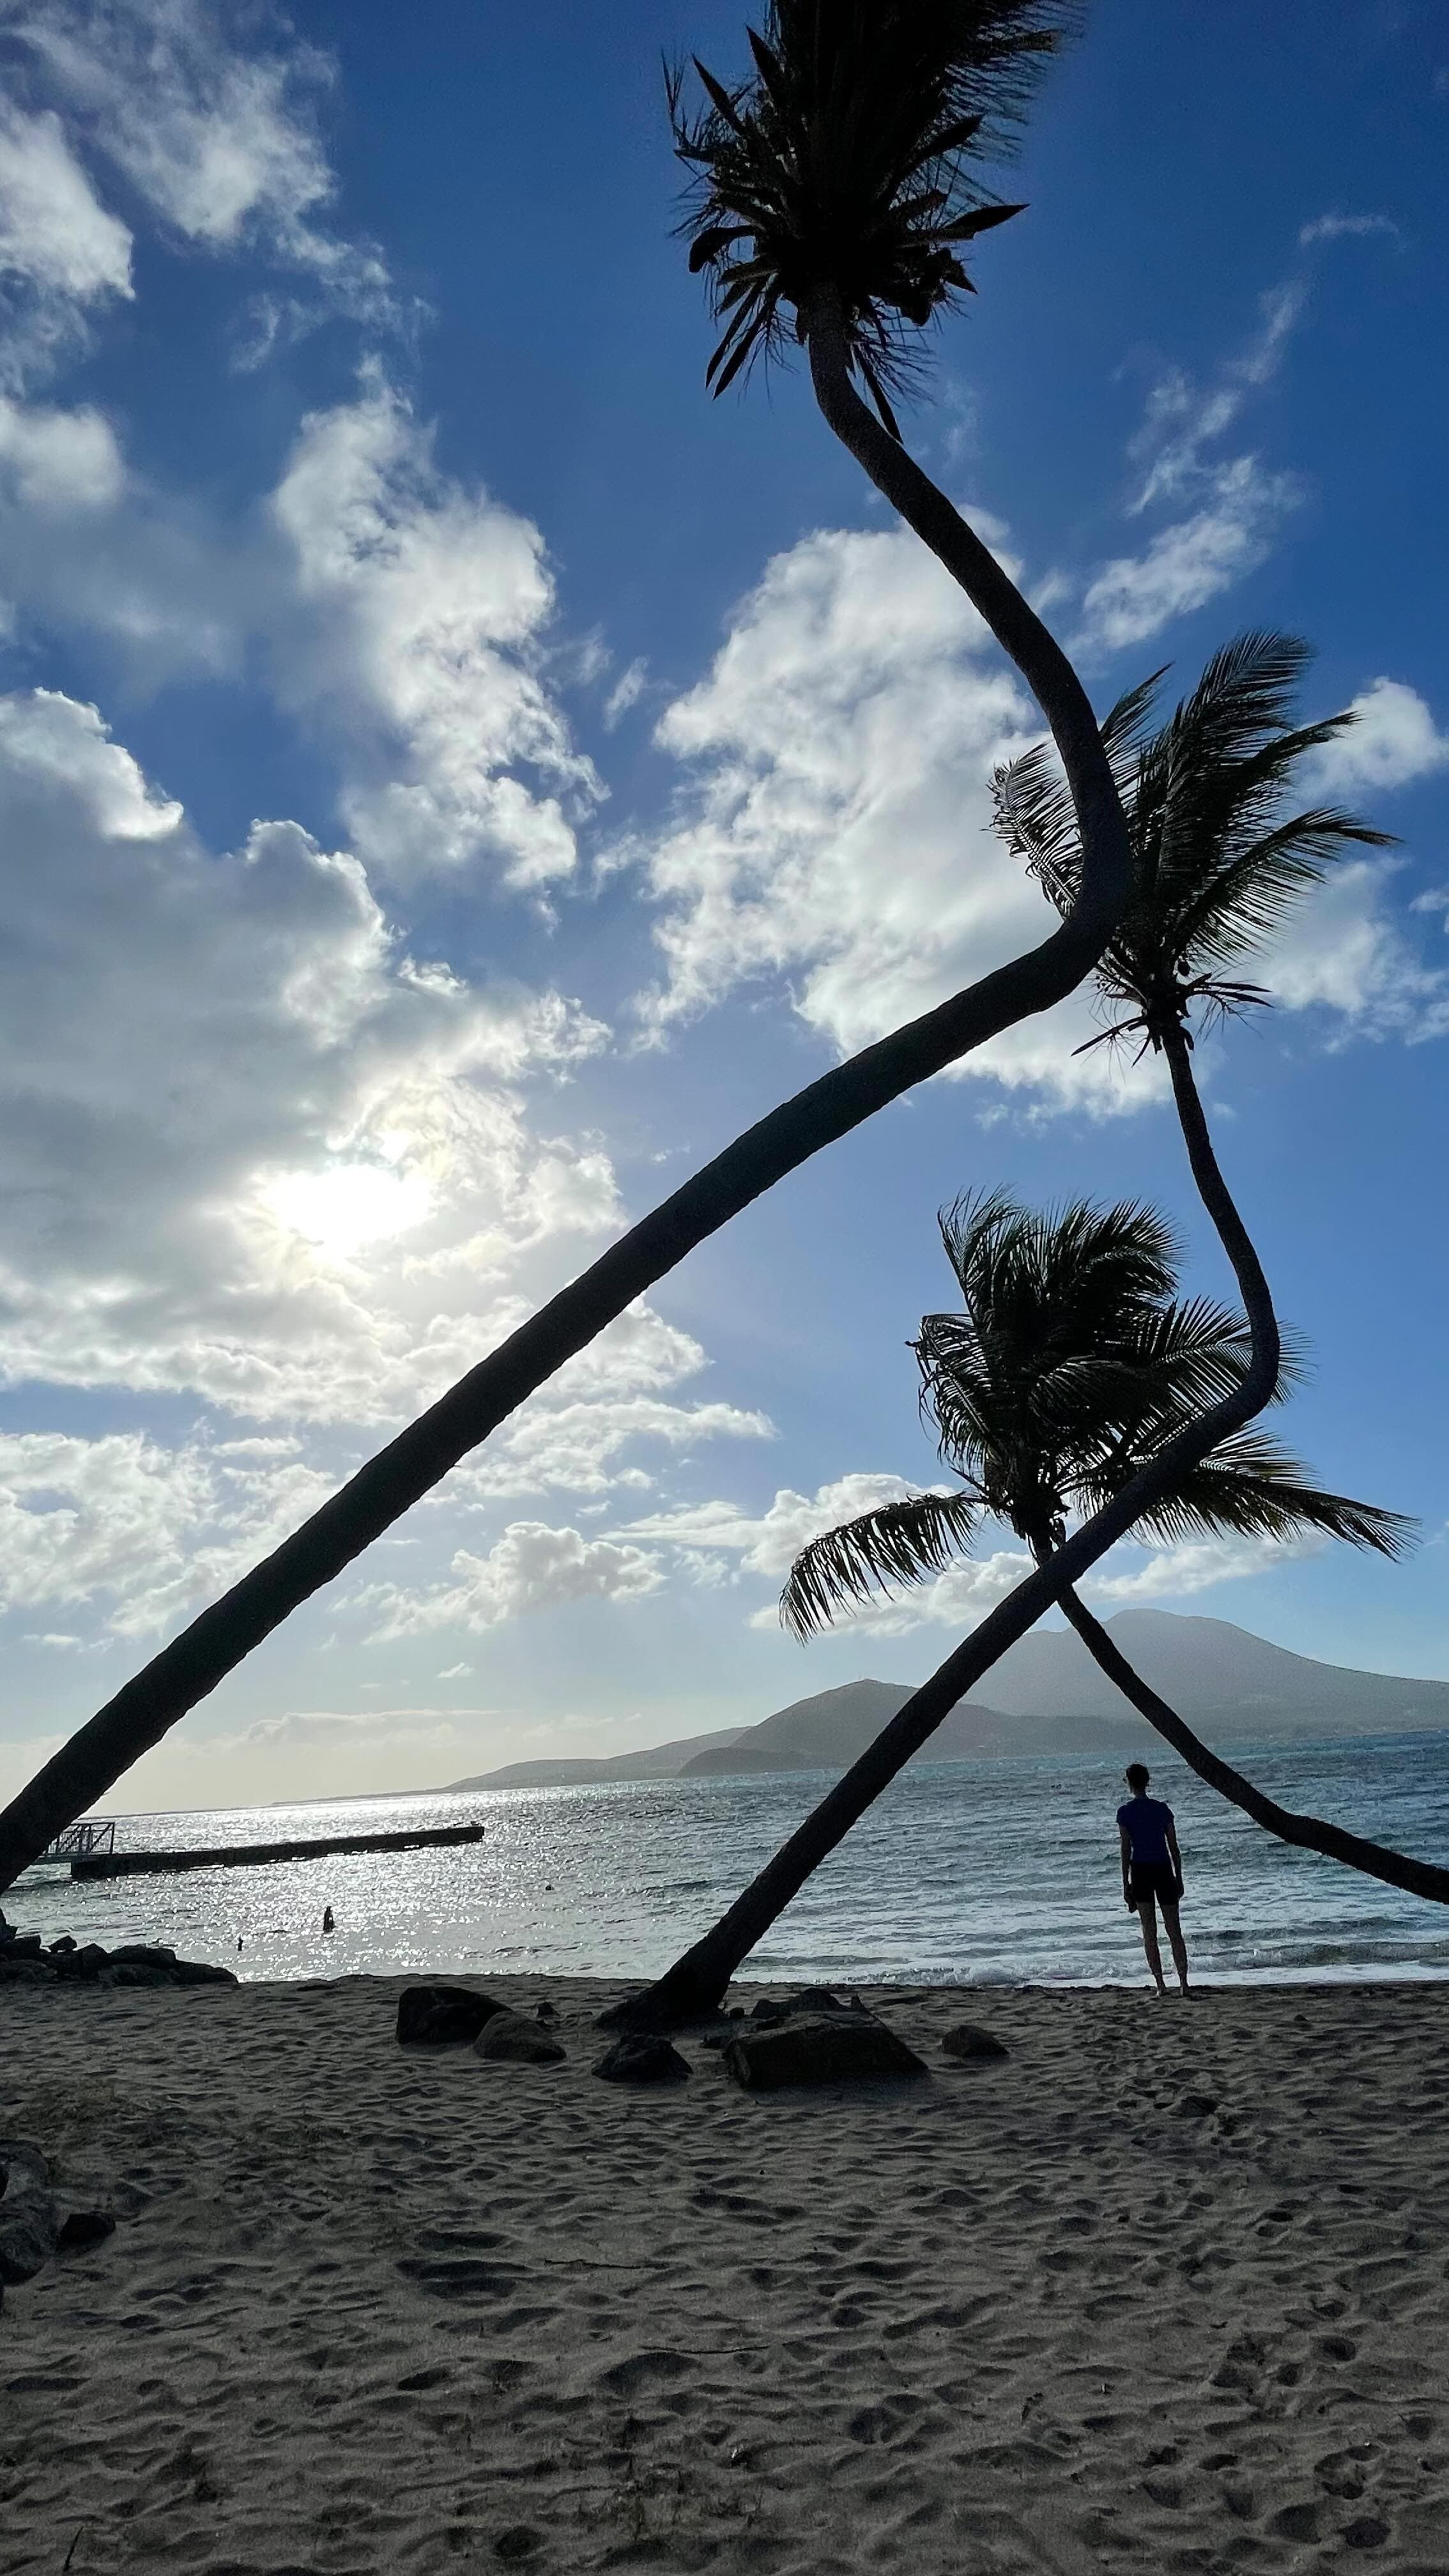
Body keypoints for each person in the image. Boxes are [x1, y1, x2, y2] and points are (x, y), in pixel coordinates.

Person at [1117, 1761, 1189, 1996]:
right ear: (1148, 1782)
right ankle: (1183, 1984)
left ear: (1129, 1783)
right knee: (1173, 1929)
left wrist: (1125, 1882)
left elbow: (1126, 1851)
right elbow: (1174, 1848)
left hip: (1141, 1872)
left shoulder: (1126, 1813)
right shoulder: (1162, 1810)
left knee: (1149, 1930)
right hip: (1163, 1869)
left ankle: (1160, 1986)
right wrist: (1179, 1877)